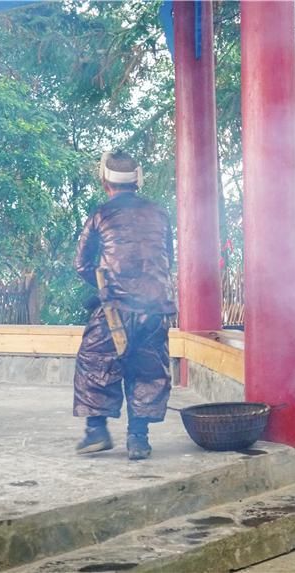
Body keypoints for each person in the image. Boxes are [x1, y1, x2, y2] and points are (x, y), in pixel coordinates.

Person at [72, 150, 177, 460]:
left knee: (95, 361)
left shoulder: (100, 215)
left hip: (114, 309)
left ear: (106, 182)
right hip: (155, 309)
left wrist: (104, 285)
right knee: (147, 368)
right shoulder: (160, 214)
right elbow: (166, 259)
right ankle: (138, 439)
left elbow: (80, 264)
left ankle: (96, 431)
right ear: (138, 181)